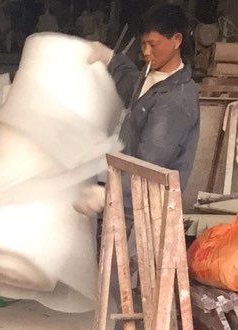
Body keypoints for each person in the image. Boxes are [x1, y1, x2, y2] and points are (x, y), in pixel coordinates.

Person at [77, 6, 199, 215]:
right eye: (143, 44)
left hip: (148, 211)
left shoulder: (175, 102)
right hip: (128, 197)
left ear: (176, 40)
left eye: (153, 44)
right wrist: (109, 57)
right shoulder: (153, 74)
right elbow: (134, 88)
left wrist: (107, 194)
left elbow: (148, 166)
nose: (146, 52)